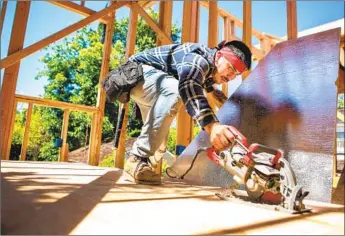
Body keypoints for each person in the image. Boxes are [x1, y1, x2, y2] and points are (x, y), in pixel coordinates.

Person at [123, 40, 252, 185]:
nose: (231, 77)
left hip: (152, 85)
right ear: (219, 56)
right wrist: (212, 126)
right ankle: (136, 158)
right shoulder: (198, 58)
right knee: (174, 90)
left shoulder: (209, 72)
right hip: (133, 73)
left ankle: (139, 167)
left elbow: (207, 87)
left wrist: (233, 106)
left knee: (158, 146)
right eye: (231, 68)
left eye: (236, 74)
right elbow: (189, 84)